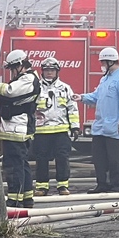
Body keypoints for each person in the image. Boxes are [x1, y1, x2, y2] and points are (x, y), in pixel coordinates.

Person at [0, 49, 40, 208]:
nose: (11, 72)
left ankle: (14, 199)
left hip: (17, 130)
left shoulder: (28, 79)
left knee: (14, 166)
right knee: (21, 164)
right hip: (14, 130)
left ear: (20, 65)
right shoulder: (23, 79)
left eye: (12, 68)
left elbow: (9, 92)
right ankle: (26, 198)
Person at [78, 47, 119, 193]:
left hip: (115, 127)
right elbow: (97, 96)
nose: (101, 65)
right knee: (100, 159)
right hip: (101, 127)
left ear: (110, 61)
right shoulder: (105, 79)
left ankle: (116, 186)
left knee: (115, 160)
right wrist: (82, 97)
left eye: (103, 62)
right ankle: (102, 184)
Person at [33, 57, 80, 196]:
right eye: (47, 70)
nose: (49, 73)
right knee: (41, 159)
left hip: (61, 130)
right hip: (41, 131)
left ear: (57, 71)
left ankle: (63, 185)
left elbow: (72, 108)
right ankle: (42, 187)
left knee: (62, 158)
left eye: (52, 70)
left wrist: (75, 127)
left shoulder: (65, 88)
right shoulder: (36, 88)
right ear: (43, 71)